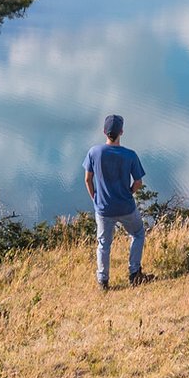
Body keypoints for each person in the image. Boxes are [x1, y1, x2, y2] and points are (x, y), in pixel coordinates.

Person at [83, 113, 152, 289]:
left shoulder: (94, 152)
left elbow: (87, 179)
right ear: (121, 132)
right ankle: (134, 273)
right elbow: (138, 182)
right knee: (137, 234)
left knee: (104, 244)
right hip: (126, 206)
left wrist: (95, 199)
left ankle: (103, 281)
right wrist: (129, 192)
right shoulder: (130, 155)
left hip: (104, 208)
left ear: (104, 132)